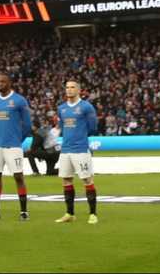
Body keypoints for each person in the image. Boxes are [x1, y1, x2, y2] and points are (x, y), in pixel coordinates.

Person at [0, 72, 33, 221]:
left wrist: (18, 139)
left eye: (3, 81)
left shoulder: (19, 100)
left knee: (18, 177)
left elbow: (27, 125)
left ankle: (24, 212)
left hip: (13, 146)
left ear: (10, 83)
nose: (0, 84)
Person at [55, 79, 99, 225]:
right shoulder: (61, 108)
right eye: (67, 87)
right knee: (66, 180)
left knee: (87, 180)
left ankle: (93, 214)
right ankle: (70, 214)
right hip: (65, 149)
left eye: (72, 87)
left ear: (79, 90)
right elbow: (62, 126)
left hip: (80, 149)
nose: (69, 89)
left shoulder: (86, 107)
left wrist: (80, 136)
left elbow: (93, 127)